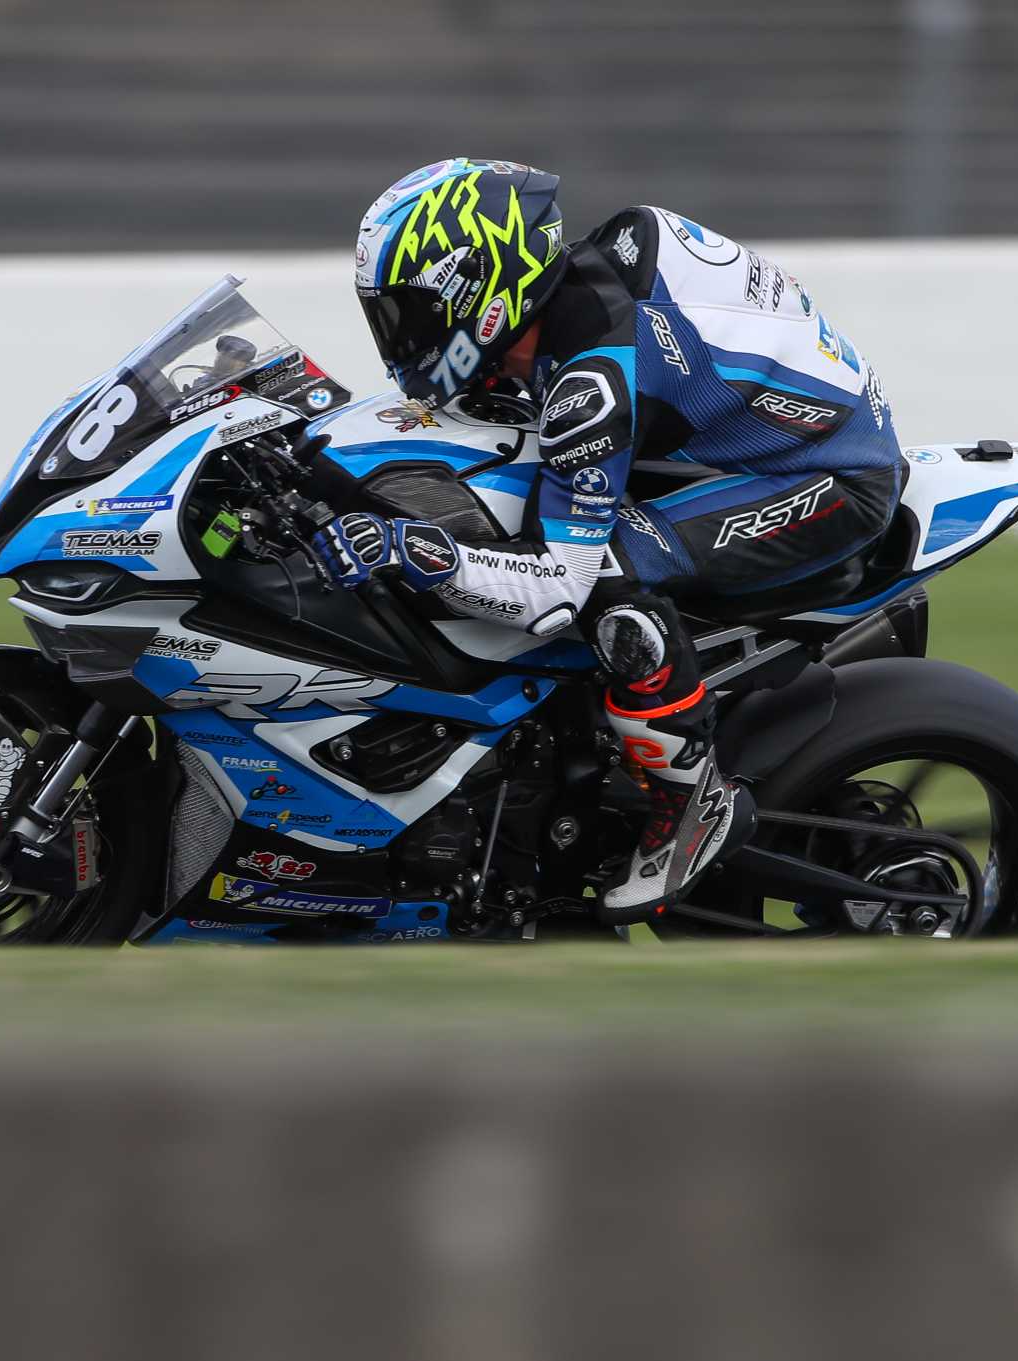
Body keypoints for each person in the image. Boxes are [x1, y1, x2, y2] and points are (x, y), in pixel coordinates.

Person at [309, 158, 905, 922]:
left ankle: (690, 805)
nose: (400, 334)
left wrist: (412, 553)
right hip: (743, 441)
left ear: (479, 292)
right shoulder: (573, 298)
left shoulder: (589, 385)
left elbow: (556, 588)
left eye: (410, 311)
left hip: (829, 479)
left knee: (610, 581)